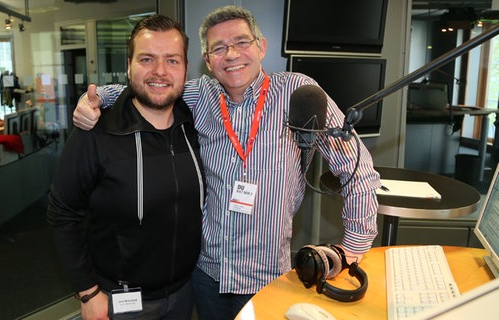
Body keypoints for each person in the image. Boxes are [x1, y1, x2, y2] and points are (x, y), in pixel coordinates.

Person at [73, 6, 381, 319]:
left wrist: (352, 246)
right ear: (208, 61)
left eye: (242, 42)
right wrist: (95, 98)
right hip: (207, 275)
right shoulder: (200, 95)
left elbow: (357, 169)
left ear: (261, 46)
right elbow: (147, 87)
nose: (231, 54)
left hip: (268, 277)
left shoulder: (298, 92)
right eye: (219, 48)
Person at [47, 14, 204, 320]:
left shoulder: (195, 126)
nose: (160, 71)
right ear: (129, 64)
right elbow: (61, 211)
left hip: (185, 294)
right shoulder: (97, 133)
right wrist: (87, 292)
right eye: (147, 59)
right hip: (120, 301)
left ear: (186, 68)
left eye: (172, 60)